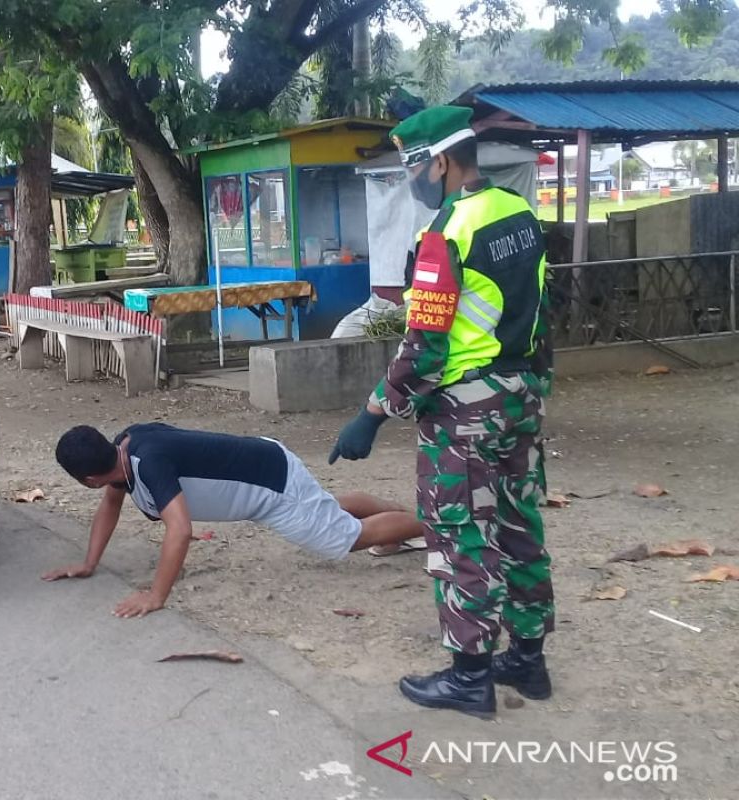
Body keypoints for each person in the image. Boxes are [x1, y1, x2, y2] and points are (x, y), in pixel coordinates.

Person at [329, 105, 555, 716]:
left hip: (466, 412)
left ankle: (469, 676)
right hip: (520, 395)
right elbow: (540, 309)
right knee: (518, 525)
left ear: (443, 161)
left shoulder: (445, 236)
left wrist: (374, 413)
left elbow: (425, 345)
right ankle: (528, 663)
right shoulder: (519, 214)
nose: (414, 183)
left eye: (414, 169)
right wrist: (537, 382)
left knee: (461, 537)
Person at [43, 424, 425, 618]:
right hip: (266, 466)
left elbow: (180, 529)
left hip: (271, 487)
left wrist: (155, 595)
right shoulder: (125, 449)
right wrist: (89, 562)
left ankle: (435, 523)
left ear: (88, 479)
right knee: (321, 509)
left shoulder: (148, 463)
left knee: (343, 539)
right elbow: (111, 504)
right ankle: (407, 517)